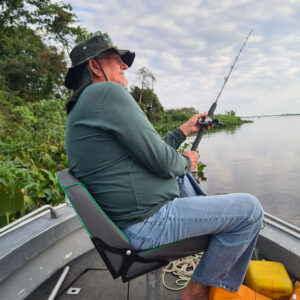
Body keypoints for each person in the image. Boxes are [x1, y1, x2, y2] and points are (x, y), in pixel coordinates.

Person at [64, 36, 264, 300]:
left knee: (184, 182)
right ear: (94, 66)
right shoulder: (106, 93)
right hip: (146, 224)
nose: (124, 66)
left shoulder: (85, 105)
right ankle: (197, 290)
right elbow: (162, 161)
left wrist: (184, 131)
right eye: (117, 59)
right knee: (250, 211)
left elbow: (149, 150)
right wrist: (186, 162)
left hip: (134, 219)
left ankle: (217, 259)